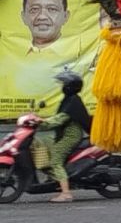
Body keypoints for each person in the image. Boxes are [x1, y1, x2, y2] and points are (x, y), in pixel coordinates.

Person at [31, 71, 92, 202]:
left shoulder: (73, 102)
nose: (62, 86)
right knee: (43, 146)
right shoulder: (69, 99)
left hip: (70, 136)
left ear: (70, 86)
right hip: (63, 134)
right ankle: (55, 179)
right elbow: (58, 118)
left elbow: (59, 119)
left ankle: (66, 193)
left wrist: (42, 122)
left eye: (64, 84)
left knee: (55, 160)